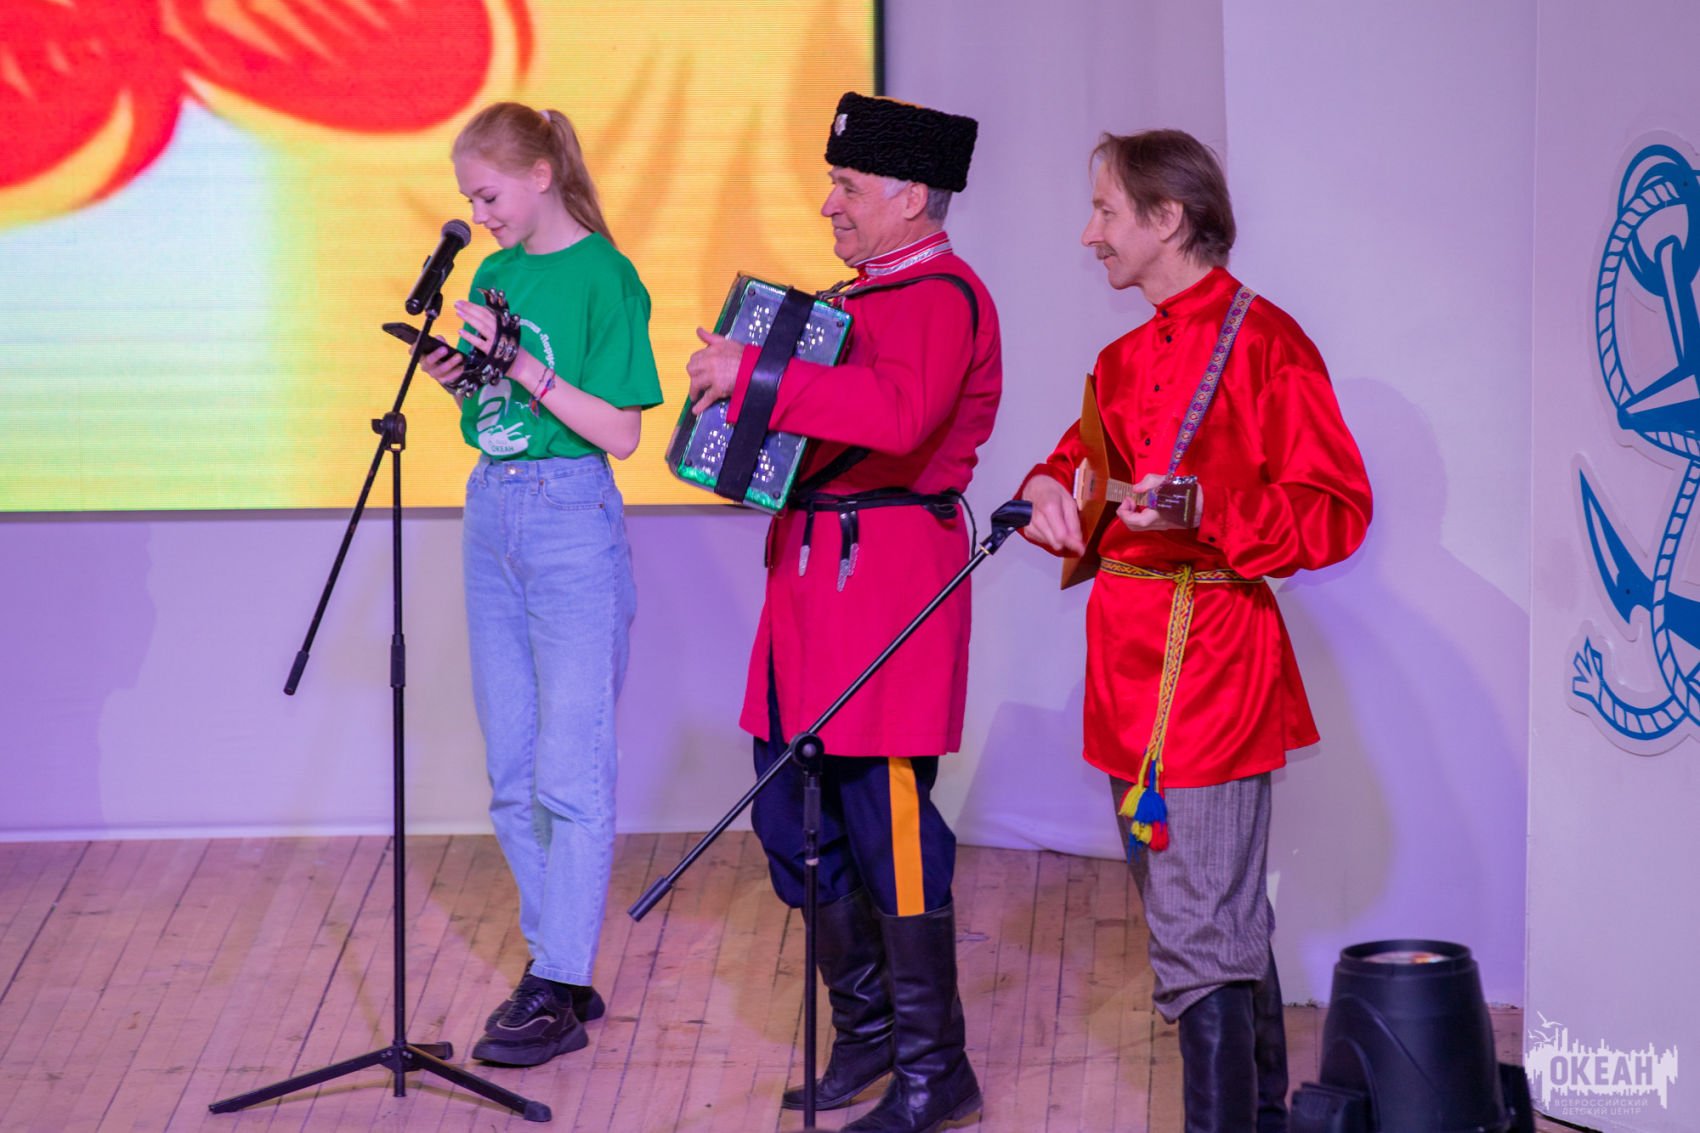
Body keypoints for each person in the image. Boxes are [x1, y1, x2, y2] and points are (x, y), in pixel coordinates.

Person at [1018, 130, 1371, 1132]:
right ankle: (1260, 1114)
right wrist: (1043, 490)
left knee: (1198, 929)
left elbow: (1336, 510)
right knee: (1207, 915)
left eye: (1105, 210)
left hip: (1209, 664)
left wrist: (1207, 508)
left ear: (1167, 217)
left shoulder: (1267, 344)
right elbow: (1073, 464)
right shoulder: (1120, 358)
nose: (1088, 233)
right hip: (1122, 676)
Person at [686, 91, 1000, 1133]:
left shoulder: (945, 295)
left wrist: (755, 374)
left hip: (888, 581)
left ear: (911, 196)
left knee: (888, 825)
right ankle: (867, 1032)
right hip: (810, 581)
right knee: (791, 815)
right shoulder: (854, 298)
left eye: (848, 185)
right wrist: (728, 416)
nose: (830, 204)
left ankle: (935, 1069)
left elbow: (900, 417)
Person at [415, 101, 662, 1068]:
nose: (479, 216)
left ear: (541, 174)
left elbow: (622, 432)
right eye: (470, 201)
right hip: (494, 508)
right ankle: (555, 963)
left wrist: (520, 365)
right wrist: (461, 378)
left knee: (570, 768)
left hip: (569, 515)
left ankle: (556, 978)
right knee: (511, 773)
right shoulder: (494, 276)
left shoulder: (606, 275)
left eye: (488, 196)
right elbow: (495, 413)